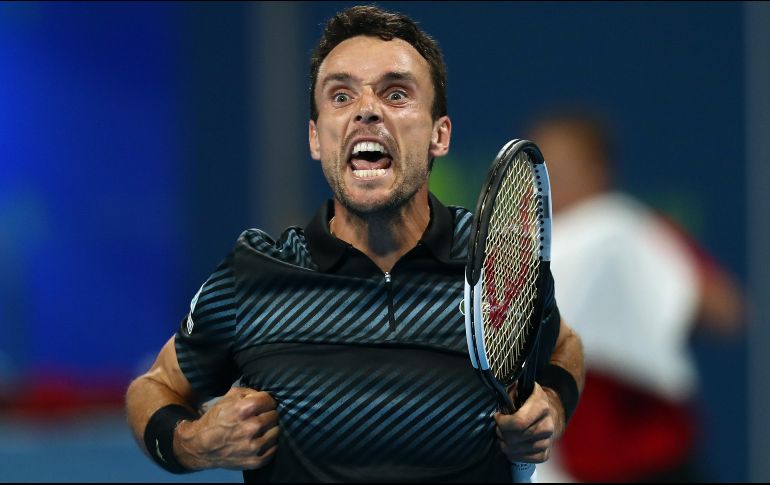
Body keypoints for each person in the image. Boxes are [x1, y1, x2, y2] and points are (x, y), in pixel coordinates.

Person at [125, 6, 585, 482]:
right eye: (341, 96)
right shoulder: (253, 272)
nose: (367, 109)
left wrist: (549, 404)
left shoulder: (495, 259)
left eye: (396, 93)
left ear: (439, 135)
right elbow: (154, 387)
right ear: (315, 139)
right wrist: (194, 443)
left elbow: (563, 346)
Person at [527, 111, 744, 482]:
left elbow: (728, 312)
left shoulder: (631, 233)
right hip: (570, 468)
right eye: (537, 169)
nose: (546, 183)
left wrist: (630, 301)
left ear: (599, 171)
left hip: (654, 465)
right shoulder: (519, 250)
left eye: (560, 169)